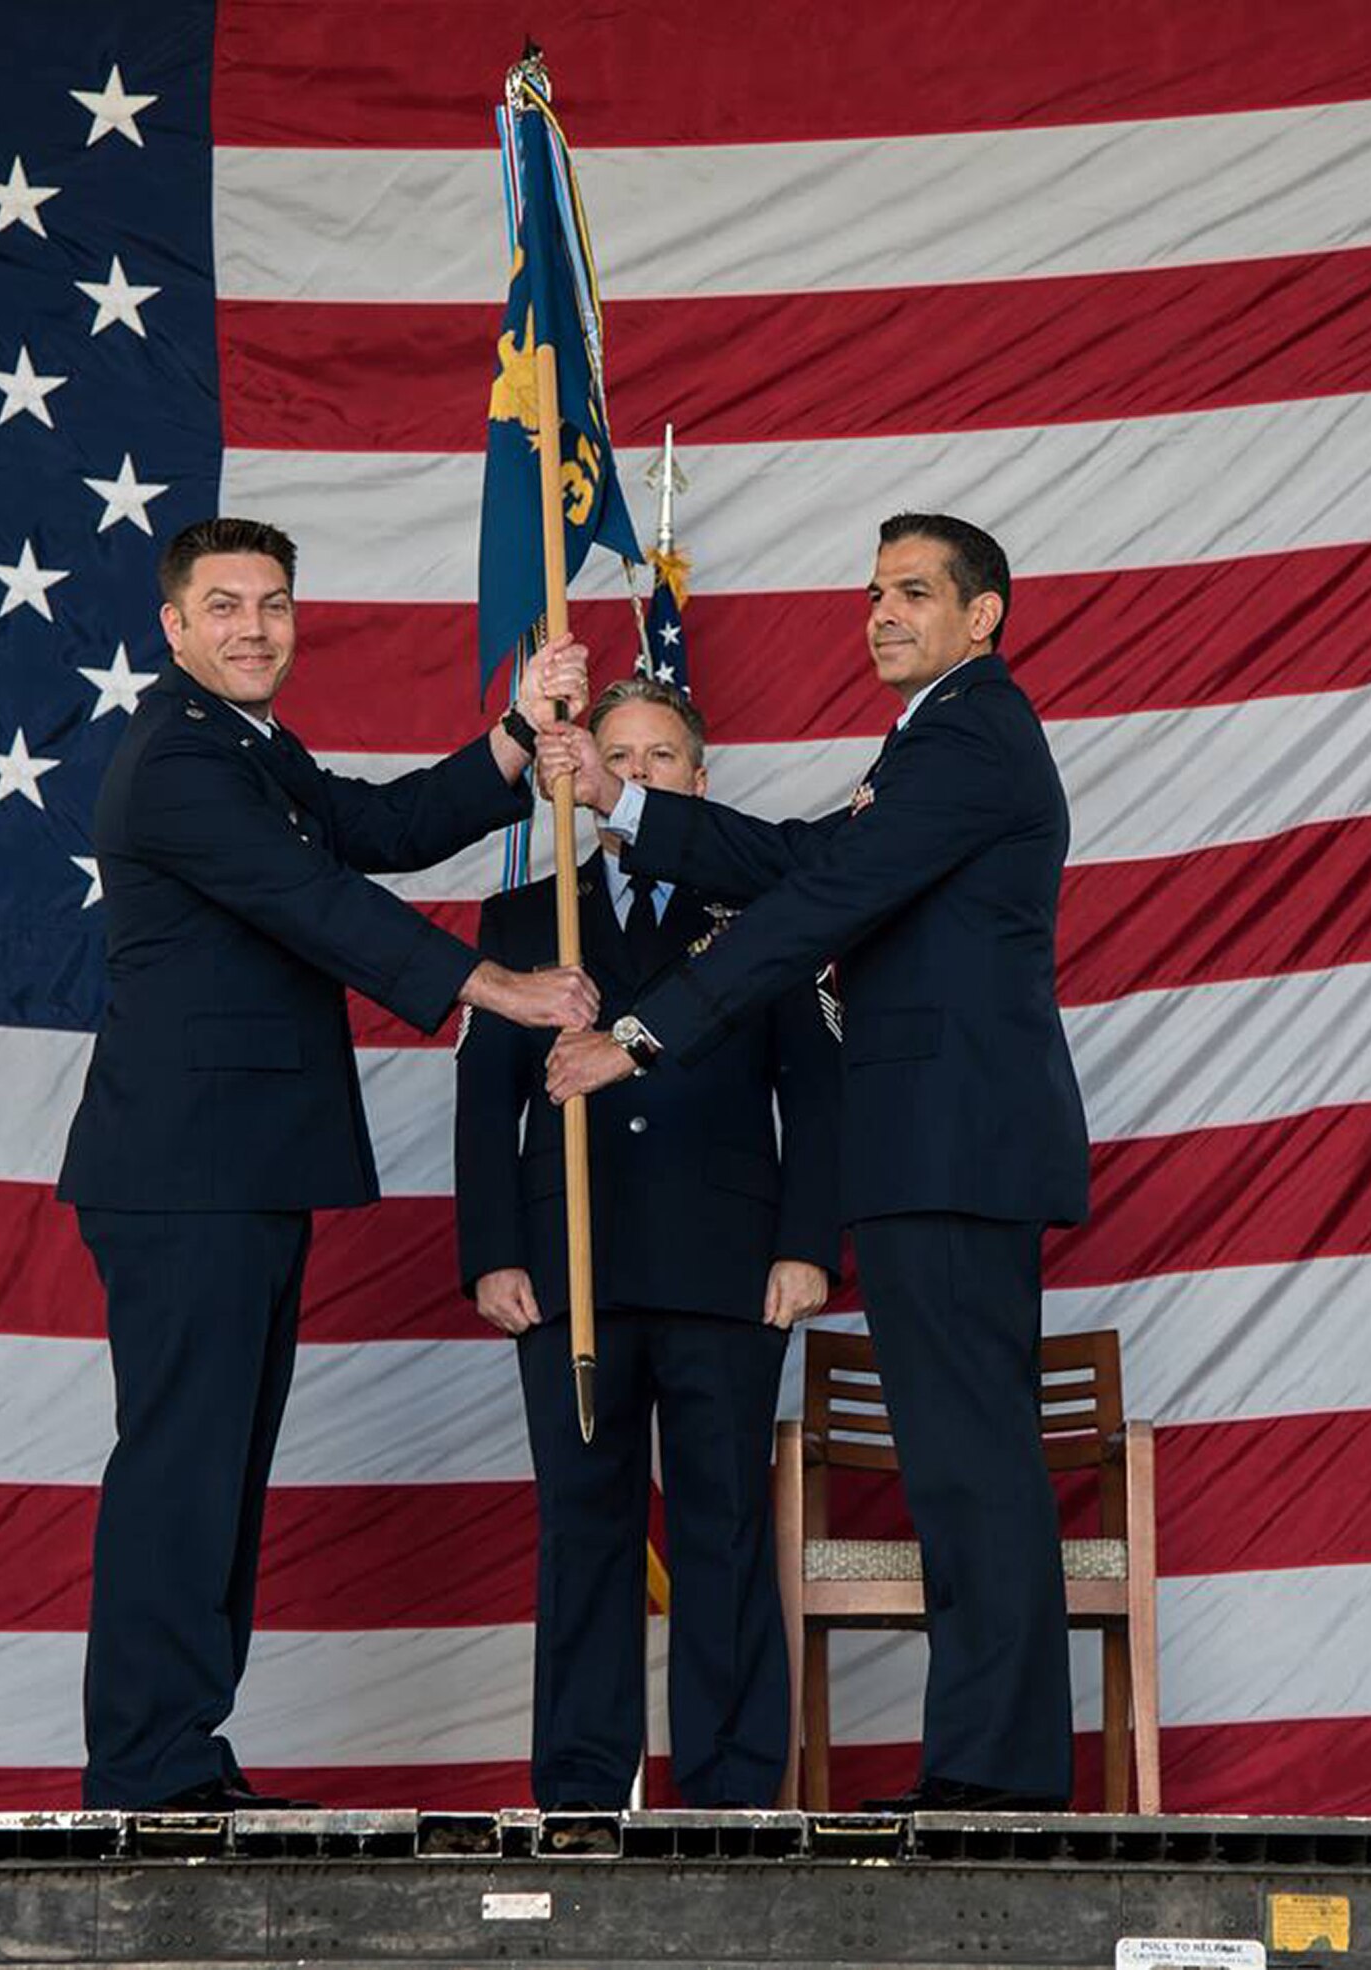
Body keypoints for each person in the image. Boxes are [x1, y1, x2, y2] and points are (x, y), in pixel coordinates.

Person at [537, 514, 1089, 1811]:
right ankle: (987, 1773)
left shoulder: (971, 732)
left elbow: (825, 905)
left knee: (973, 1466)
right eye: (875, 590)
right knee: (961, 1466)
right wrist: (625, 800)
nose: (883, 611)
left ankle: (997, 1787)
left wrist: (645, 1028)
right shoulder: (931, 741)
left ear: (985, 614)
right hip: (929, 1146)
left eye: (914, 590)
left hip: (952, 1145)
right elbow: (804, 857)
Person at [57, 516, 599, 1810]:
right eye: (226, 604)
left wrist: (516, 735)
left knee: (218, 1474)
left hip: (240, 1168)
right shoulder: (178, 763)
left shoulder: (247, 749)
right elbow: (322, 905)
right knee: (183, 1470)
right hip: (185, 1172)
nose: (255, 625)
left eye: (275, 602)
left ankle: (177, 1750)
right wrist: (498, 988)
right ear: (172, 624)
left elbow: (374, 825)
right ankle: (145, 1764)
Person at [455, 677, 841, 1810]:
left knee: (722, 1526)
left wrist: (806, 1241)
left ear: (696, 779)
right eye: (607, 753)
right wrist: (491, 1250)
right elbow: (485, 1107)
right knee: (585, 1526)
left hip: (727, 1265)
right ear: (569, 779)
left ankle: (727, 1786)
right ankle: (580, 1782)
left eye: (656, 757)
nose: (629, 773)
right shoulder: (524, 921)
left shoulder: (760, 913)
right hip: (568, 1262)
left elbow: (815, 1098)